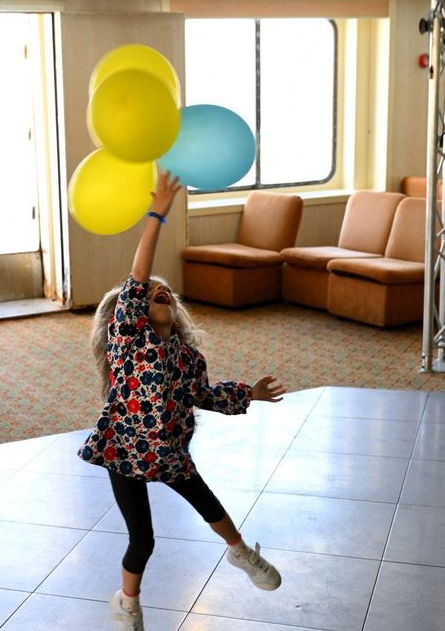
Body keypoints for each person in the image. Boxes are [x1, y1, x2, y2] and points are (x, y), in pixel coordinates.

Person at [78, 171, 286, 631]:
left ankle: (241, 554)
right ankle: (127, 604)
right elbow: (138, 273)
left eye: (165, 291)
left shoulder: (188, 358)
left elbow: (204, 395)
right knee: (143, 540)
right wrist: (157, 215)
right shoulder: (128, 339)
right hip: (125, 450)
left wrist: (248, 393)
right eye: (151, 292)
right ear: (132, 312)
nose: (159, 291)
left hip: (169, 453)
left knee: (212, 507)